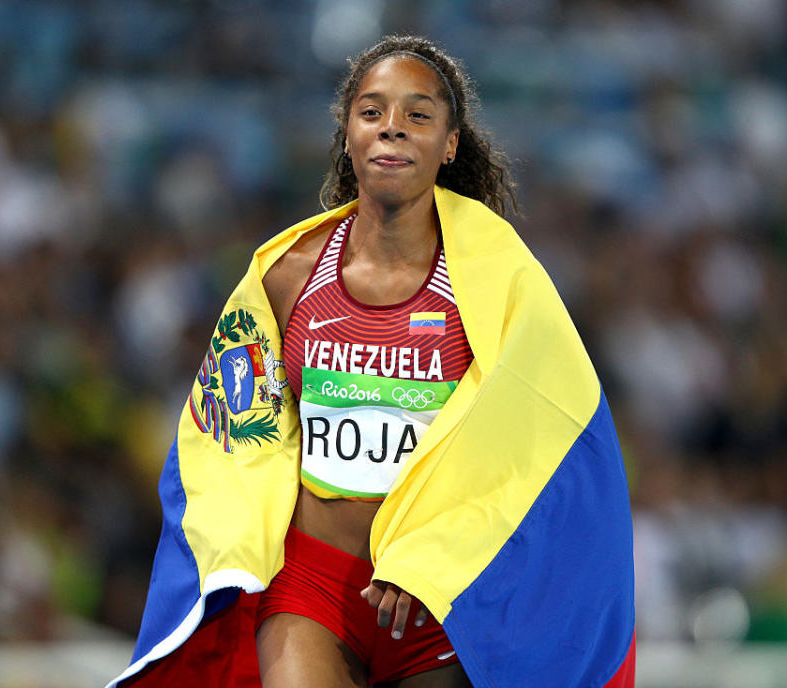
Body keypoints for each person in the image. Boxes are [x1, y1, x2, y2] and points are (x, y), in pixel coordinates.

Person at [109, 35, 635, 688]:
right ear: (349, 133)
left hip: (434, 598)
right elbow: (231, 438)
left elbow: (539, 449)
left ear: (450, 144)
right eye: (373, 111)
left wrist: (436, 559)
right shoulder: (285, 277)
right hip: (312, 586)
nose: (393, 127)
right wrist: (234, 551)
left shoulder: (500, 285)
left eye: (418, 115)